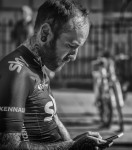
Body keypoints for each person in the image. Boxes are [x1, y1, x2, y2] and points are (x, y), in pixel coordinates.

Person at [0, 0, 113, 150]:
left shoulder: (38, 65)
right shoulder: (16, 71)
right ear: (45, 33)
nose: (74, 57)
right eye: (71, 46)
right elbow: (8, 147)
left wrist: (81, 142)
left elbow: (50, 122)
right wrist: (71, 147)